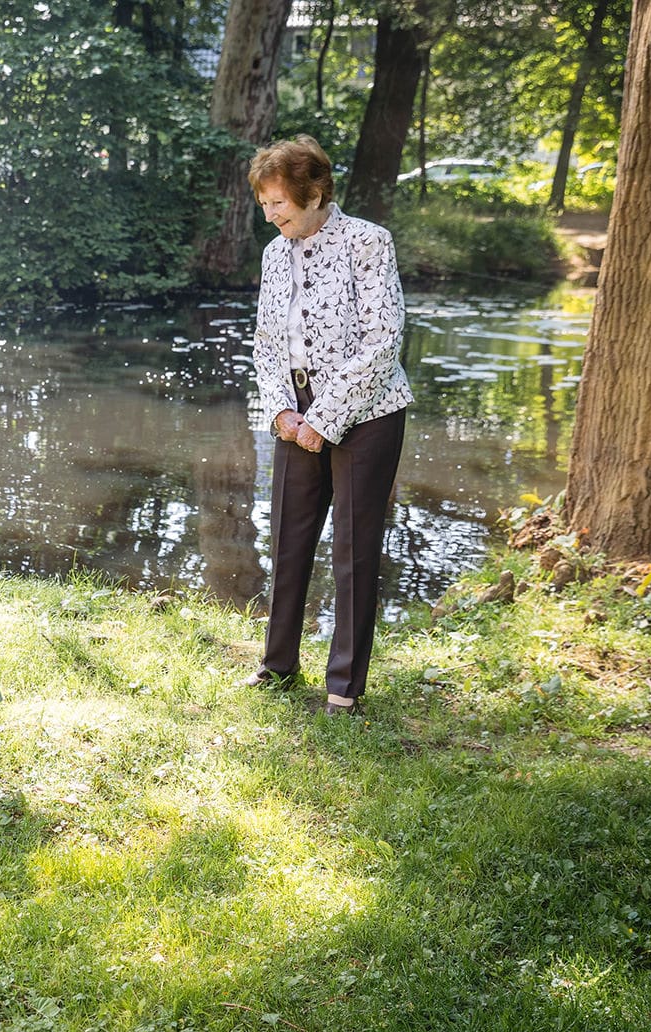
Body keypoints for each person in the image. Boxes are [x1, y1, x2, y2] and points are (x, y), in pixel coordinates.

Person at [242, 135, 412, 715]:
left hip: (368, 411)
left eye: (278, 203)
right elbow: (267, 341)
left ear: (313, 192)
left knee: (354, 548)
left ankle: (344, 686)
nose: (271, 214)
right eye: (264, 204)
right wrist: (282, 410)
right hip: (294, 409)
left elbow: (383, 339)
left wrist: (325, 417)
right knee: (288, 538)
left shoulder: (368, 241)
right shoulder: (273, 253)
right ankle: (279, 665)